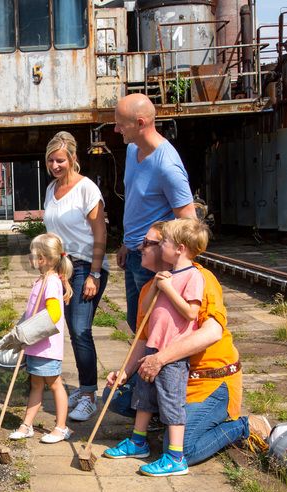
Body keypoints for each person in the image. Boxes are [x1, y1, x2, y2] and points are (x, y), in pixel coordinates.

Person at [105, 222, 272, 467]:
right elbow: (143, 338)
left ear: (174, 249)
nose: (140, 247)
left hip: (208, 380)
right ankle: (157, 426)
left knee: (184, 450)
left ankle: (242, 426)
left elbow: (212, 332)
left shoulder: (201, 278)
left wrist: (160, 358)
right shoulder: (150, 288)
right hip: (168, 374)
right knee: (115, 395)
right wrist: (125, 373)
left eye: (150, 243)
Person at [104, 218, 208, 477]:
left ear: (180, 248)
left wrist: (169, 288)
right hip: (153, 347)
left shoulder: (194, 275)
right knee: (143, 397)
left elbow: (190, 313)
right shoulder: (166, 276)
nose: (160, 246)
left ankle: (175, 457)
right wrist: (158, 286)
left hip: (172, 354)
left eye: (164, 242)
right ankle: (138, 442)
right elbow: (147, 310)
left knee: (172, 403)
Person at [113, 93, 196, 333]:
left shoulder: (167, 166)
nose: (116, 129)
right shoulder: (132, 150)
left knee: (153, 328)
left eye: (120, 123)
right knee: (136, 323)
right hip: (133, 254)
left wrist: (173, 264)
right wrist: (126, 243)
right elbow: (137, 203)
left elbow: (189, 220)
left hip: (153, 259)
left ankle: (155, 369)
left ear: (140, 123)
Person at [42, 131, 109, 422]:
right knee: (68, 329)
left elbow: (100, 233)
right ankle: (84, 388)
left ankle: (89, 395)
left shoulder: (87, 189)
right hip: (62, 268)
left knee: (81, 330)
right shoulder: (50, 189)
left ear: (72, 159)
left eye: (60, 160)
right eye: (50, 161)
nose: (55, 166)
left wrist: (94, 273)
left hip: (85, 266)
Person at [7, 233, 74, 443]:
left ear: (42, 259)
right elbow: (32, 312)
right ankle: (26, 425)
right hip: (35, 346)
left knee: (55, 384)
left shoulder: (51, 282)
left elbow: (54, 314)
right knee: (36, 385)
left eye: (32, 253)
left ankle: (61, 427)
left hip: (46, 347)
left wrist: (31, 330)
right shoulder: (41, 279)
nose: (29, 257)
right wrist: (21, 328)